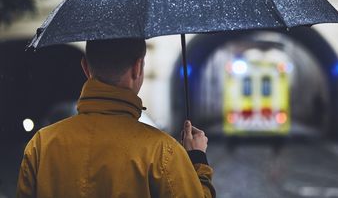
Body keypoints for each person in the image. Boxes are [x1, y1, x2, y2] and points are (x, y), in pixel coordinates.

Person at [16, 38, 216, 198]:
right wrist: (198, 160)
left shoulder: (41, 144)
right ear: (138, 68)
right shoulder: (163, 151)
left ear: (86, 68)